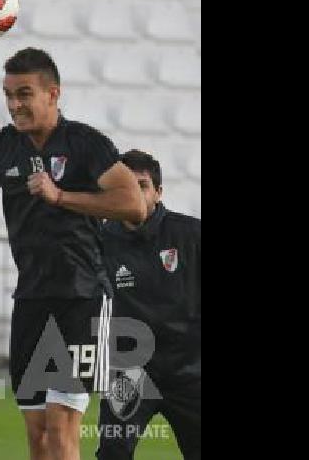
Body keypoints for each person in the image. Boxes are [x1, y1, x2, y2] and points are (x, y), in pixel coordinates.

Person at [0, 47, 145, 460]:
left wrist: (61, 197)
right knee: (38, 437)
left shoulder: (86, 144)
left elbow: (133, 204)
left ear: (52, 93)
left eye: (24, 94)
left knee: (61, 429)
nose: (14, 105)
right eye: (8, 95)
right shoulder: (2, 148)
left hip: (82, 296)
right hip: (31, 299)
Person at [96, 149, 200, 460]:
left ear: (158, 192)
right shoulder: (99, 240)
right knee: (113, 452)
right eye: (125, 185)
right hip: (130, 372)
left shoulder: (190, 234)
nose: (134, 193)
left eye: (141, 185)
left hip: (191, 372)